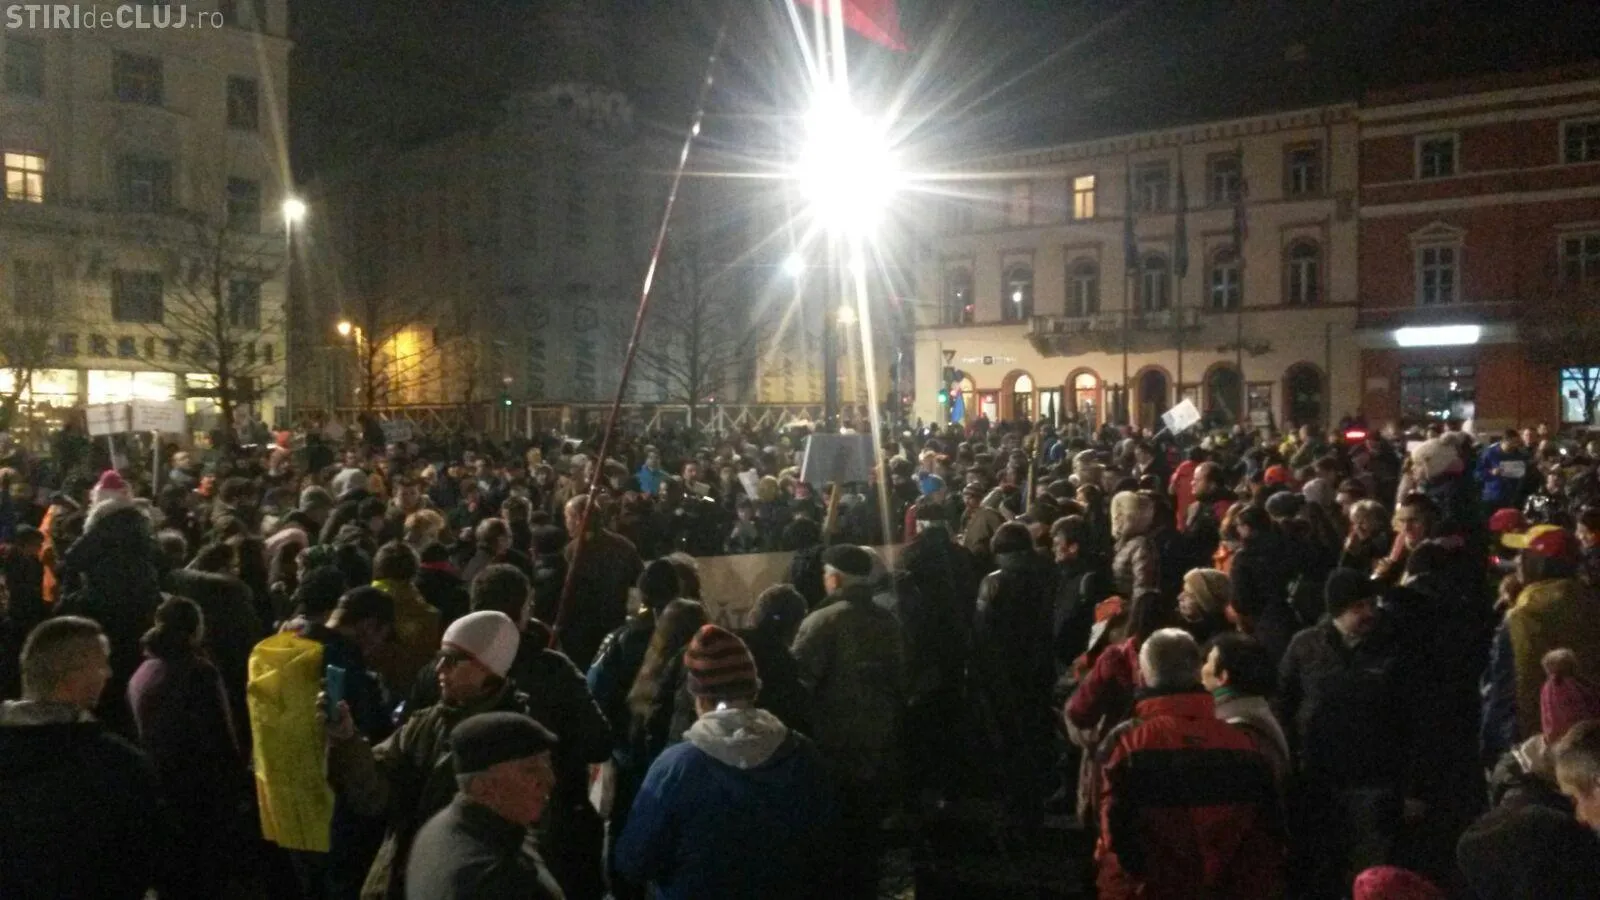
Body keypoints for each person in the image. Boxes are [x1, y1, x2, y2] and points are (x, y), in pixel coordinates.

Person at [616, 625, 838, 899]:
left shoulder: (676, 767)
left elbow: (633, 859)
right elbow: (825, 849)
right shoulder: (803, 754)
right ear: (753, 689)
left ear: (699, 696)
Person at [327, 610, 533, 900]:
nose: (439, 669)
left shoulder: (515, 745)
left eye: (452, 660)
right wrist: (347, 739)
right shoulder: (426, 724)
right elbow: (376, 792)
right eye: (440, 657)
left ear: (488, 670)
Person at [1094, 628, 1284, 899]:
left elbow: (1111, 829)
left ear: (1144, 676)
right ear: (1196, 674)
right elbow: (1266, 834)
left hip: (1145, 890)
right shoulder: (1245, 745)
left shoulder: (1125, 743)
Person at [0, 617, 163, 899]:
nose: (109, 673)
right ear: (71, 676)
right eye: (102, 663)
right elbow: (147, 860)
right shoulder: (118, 766)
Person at [1277, 568, 1409, 900]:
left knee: (1370, 863)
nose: (1369, 613)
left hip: (1373, 776)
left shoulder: (1392, 646)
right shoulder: (1306, 645)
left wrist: (1413, 784)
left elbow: (1412, 716)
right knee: (1323, 860)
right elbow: (1284, 702)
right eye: (1358, 607)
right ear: (1337, 610)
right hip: (1319, 775)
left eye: (1371, 604)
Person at [791, 543, 906, 899]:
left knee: (837, 829)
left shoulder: (822, 621)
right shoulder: (887, 620)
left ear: (836, 579)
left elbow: (800, 682)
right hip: (879, 739)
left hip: (834, 742)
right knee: (868, 828)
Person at [127, 597, 251, 900]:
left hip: (162, 789)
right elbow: (221, 735)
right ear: (196, 629)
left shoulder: (143, 671)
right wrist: (239, 786)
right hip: (201, 794)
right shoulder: (199, 672)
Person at [403, 712, 564, 900]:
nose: (549, 779)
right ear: (481, 787)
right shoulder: (493, 879)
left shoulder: (442, 828)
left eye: (547, 764)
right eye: (530, 769)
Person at [1484, 525, 1600, 759]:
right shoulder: (1591, 603)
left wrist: (1492, 748)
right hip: (1589, 740)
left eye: (1524, 554)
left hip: (1535, 746)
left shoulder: (1523, 616)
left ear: (1539, 564)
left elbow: (1504, 690)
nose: (1517, 561)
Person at [1201, 632, 1290, 790]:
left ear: (1223, 677)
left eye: (1207, 661)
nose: (1202, 669)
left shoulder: (1237, 726)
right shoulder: (1257, 710)